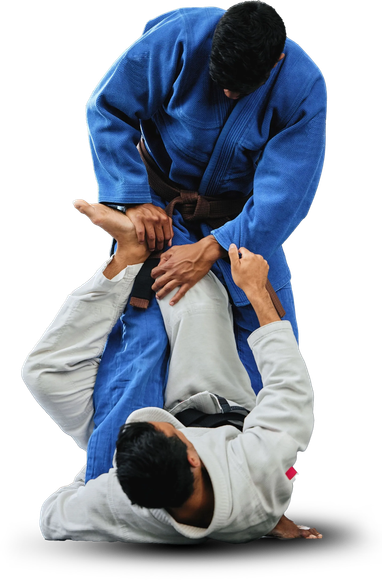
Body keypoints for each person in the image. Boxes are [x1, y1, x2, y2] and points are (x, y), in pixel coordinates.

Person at [21, 200, 321, 542]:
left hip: (144, 458)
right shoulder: (256, 469)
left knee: (41, 373)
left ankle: (125, 257)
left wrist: (96, 468)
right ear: (193, 457)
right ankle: (162, 224)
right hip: (215, 402)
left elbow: (51, 518)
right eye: (166, 430)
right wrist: (255, 290)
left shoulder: (123, 503)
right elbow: (290, 387)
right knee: (192, 296)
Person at [84, 1, 328, 403]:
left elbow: (285, 193)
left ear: (276, 61)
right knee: (143, 340)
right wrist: (133, 198)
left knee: (272, 339)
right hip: (162, 208)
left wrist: (212, 246)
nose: (229, 93)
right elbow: (108, 109)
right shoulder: (179, 36)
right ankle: (116, 462)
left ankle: (252, 458)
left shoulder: (302, 86)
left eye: (240, 88)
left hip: (243, 223)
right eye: (222, 83)